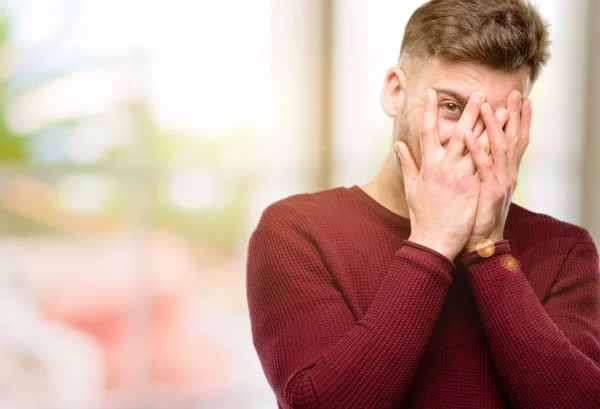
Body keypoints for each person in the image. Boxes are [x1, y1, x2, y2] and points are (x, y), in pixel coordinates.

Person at [246, 0, 600, 407]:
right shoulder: (296, 231)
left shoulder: (564, 249)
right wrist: (431, 242)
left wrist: (487, 248)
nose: (471, 139)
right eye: (452, 107)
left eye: (498, 120)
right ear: (395, 93)